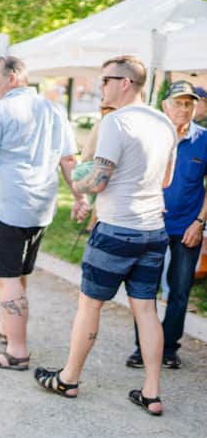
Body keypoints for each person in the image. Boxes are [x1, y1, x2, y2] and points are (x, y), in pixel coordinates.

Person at [35, 55, 177, 416]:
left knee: (90, 305)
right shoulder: (165, 122)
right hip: (153, 230)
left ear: (124, 83)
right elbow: (166, 181)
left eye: (105, 81)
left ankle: (69, 378)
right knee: (146, 310)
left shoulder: (116, 122)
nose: (101, 88)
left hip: (116, 229)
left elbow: (95, 182)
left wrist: (72, 170)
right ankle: (152, 392)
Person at [0, 56, 89, 371]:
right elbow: (69, 159)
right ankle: (7, 326)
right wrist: (79, 197)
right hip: (40, 208)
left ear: (14, 77)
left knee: (7, 279)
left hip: (5, 205)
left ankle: (17, 351)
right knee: (17, 274)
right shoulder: (54, 109)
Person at [126, 80, 207, 370]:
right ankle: (143, 348)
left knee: (180, 289)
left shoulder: (205, 139)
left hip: (188, 227)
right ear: (165, 106)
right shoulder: (151, 136)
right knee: (144, 289)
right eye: (178, 103)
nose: (184, 109)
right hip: (150, 225)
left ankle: (169, 348)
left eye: (189, 103)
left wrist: (199, 223)